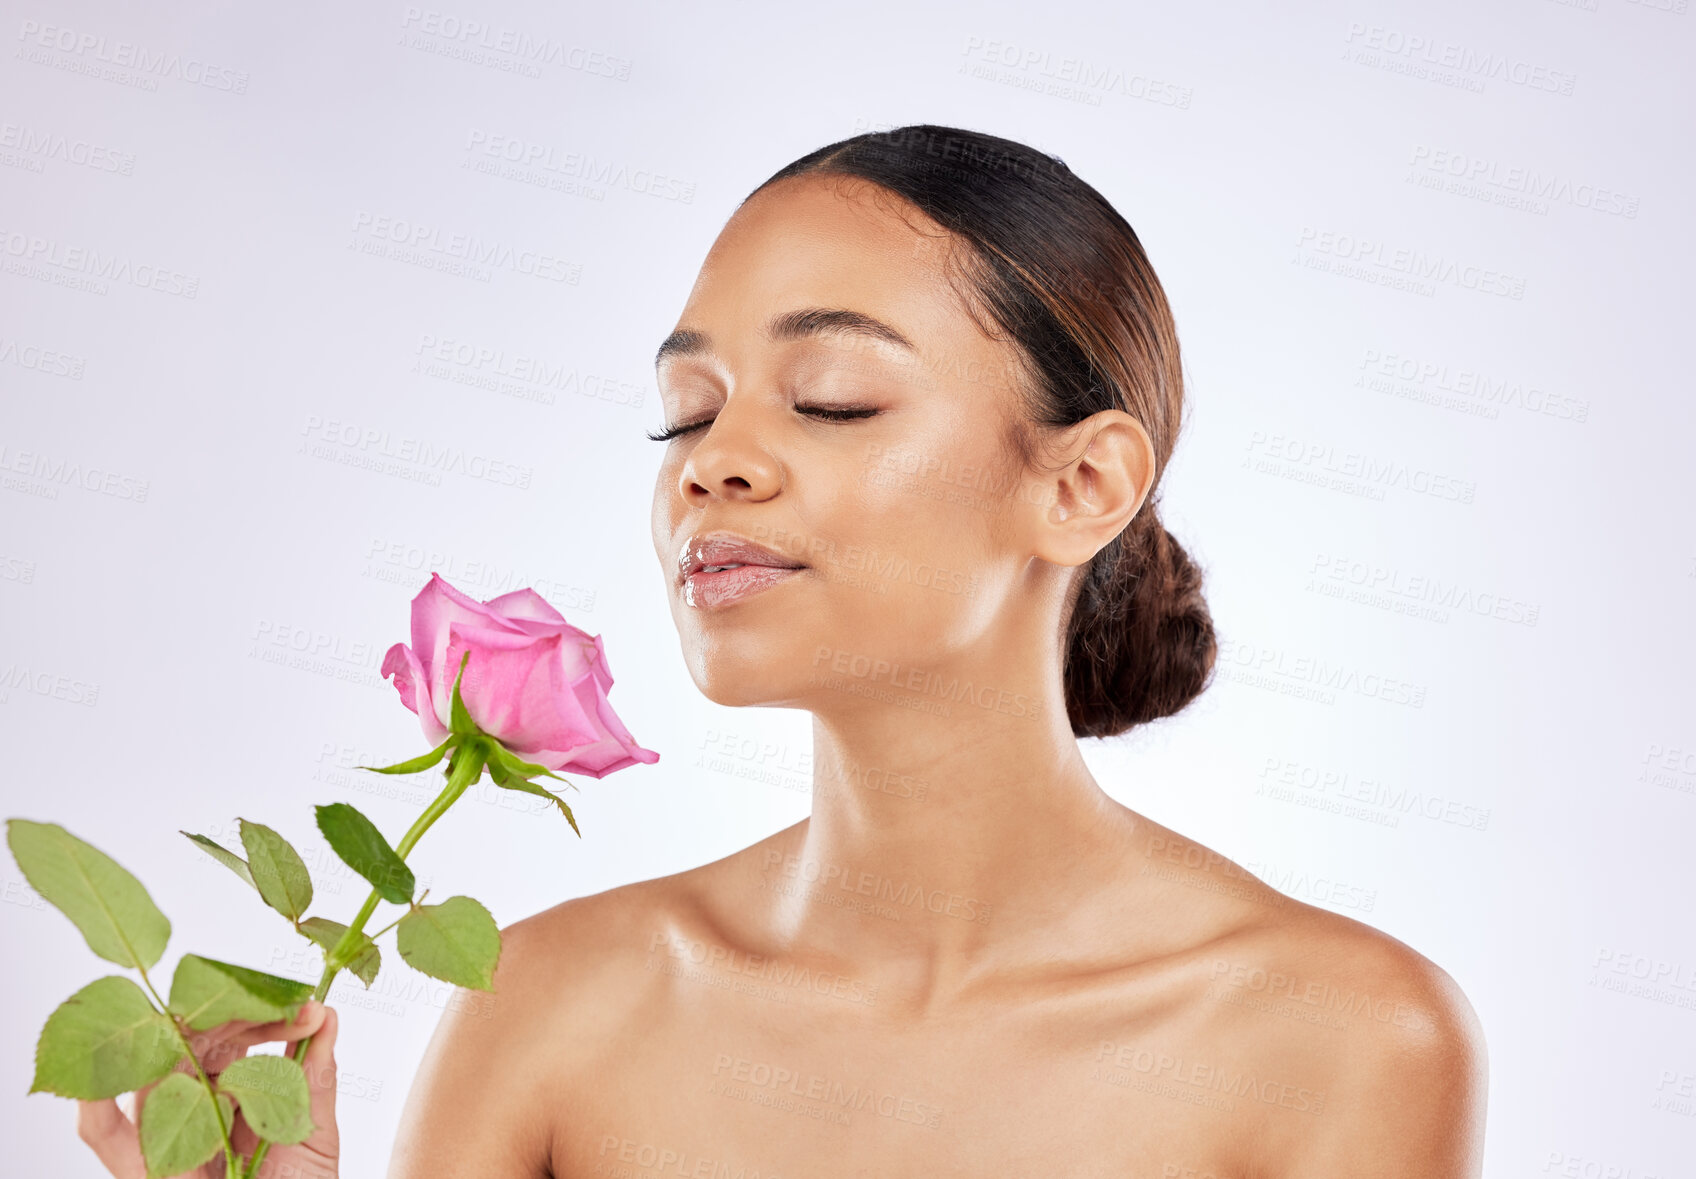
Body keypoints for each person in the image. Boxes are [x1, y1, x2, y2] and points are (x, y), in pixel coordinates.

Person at [81, 123, 1486, 1178]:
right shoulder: (552, 1005)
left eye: (833, 397)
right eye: (684, 412)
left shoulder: (1341, 1038)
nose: (714, 465)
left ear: (1083, 486)